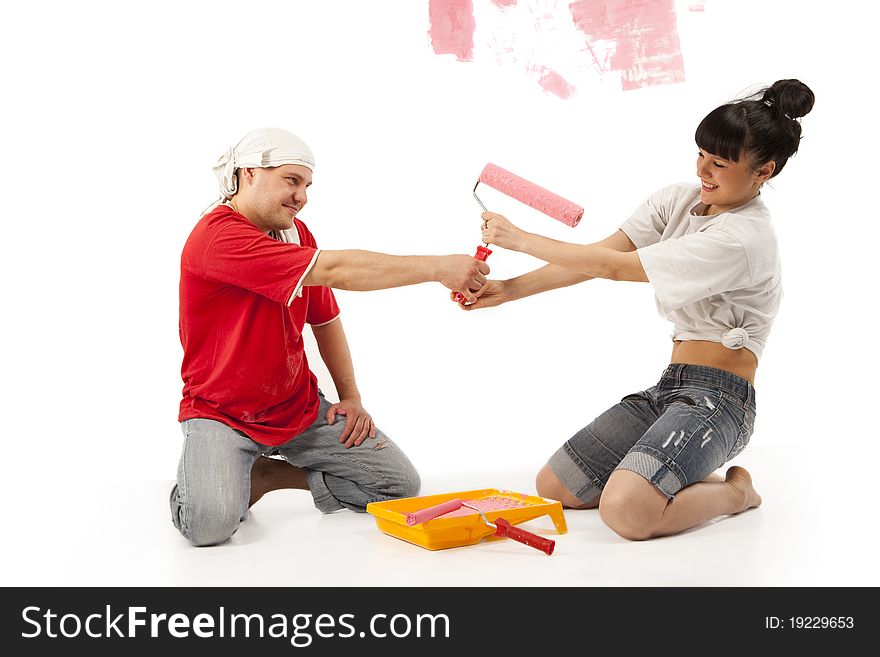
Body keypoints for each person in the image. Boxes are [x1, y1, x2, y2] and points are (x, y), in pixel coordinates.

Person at [462, 79, 814, 540]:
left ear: (763, 172)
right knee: (556, 486)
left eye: (720, 164)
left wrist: (520, 239)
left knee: (627, 512)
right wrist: (509, 289)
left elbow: (615, 268)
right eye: (702, 155)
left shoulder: (743, 238)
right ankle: (657, 478)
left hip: (721, 401)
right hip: (670, 386)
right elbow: (599, 255)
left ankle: (736, 494)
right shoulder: (680, 200)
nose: (703, 171)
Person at [171, 128, 490, 546]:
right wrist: (437, 267)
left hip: (294, 408)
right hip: (222, 414)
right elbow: (336, 269)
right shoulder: (217, 237)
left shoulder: (296, 235)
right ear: (249, 173)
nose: (302, 196)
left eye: (306, 185)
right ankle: (210, 480)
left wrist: (351, 398)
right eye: (291, 180)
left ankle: (265, 476)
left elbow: (325, 321)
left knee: (396, 485)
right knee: (208, 526)